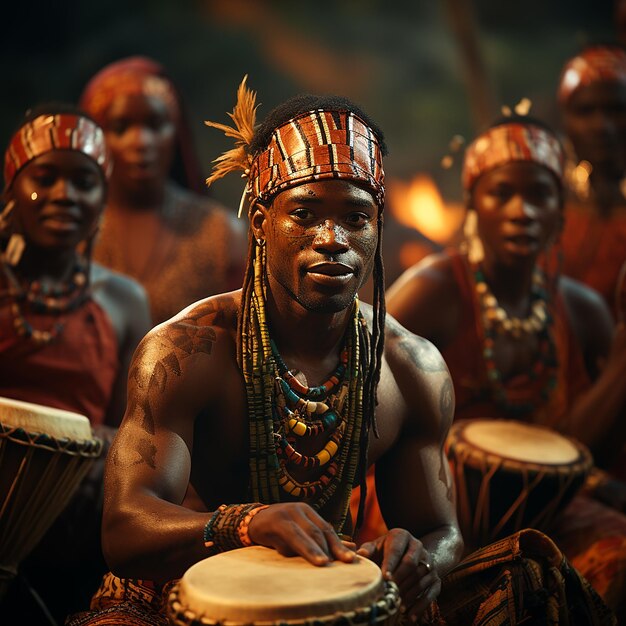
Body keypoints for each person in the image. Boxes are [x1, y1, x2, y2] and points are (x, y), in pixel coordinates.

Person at [68, 81, 613, 626]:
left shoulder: (409, 367)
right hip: (182, 586)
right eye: (304, 214)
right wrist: (244, 523)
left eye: (355, 217)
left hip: (330, 587)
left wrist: (419, 559)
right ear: (260, 223)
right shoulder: (186, 351)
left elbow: (442, 532)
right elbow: (124, 529)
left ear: (377, 226)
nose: (332, 238)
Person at [385, 114, 626, 618]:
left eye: (540, 195)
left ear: (561, 211)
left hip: (554, 510)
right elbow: (362, 394)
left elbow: (595, 450)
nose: (523, 211)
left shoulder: (582, 312)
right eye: (502, 194)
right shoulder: (432, 293)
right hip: (434, 509)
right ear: (474, 204)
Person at [0, 104, 151, 623]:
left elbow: (127, 427)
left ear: (101, 199)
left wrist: (103, 450)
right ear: (11, 190)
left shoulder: (123, 300)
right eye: (45, 177)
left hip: (72, 518)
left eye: (84, 182)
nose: (65, 194)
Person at [79, 56, 247, 325]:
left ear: (176, 132)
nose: (141, 142)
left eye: (155, 124)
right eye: (121, 127)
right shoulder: (71, 230)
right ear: (95, 137)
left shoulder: (221, 235)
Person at [557, 44, 626, 322]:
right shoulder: (544, 198)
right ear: (566, 120)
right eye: (585, 111)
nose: (601, 125)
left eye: (616, 110)